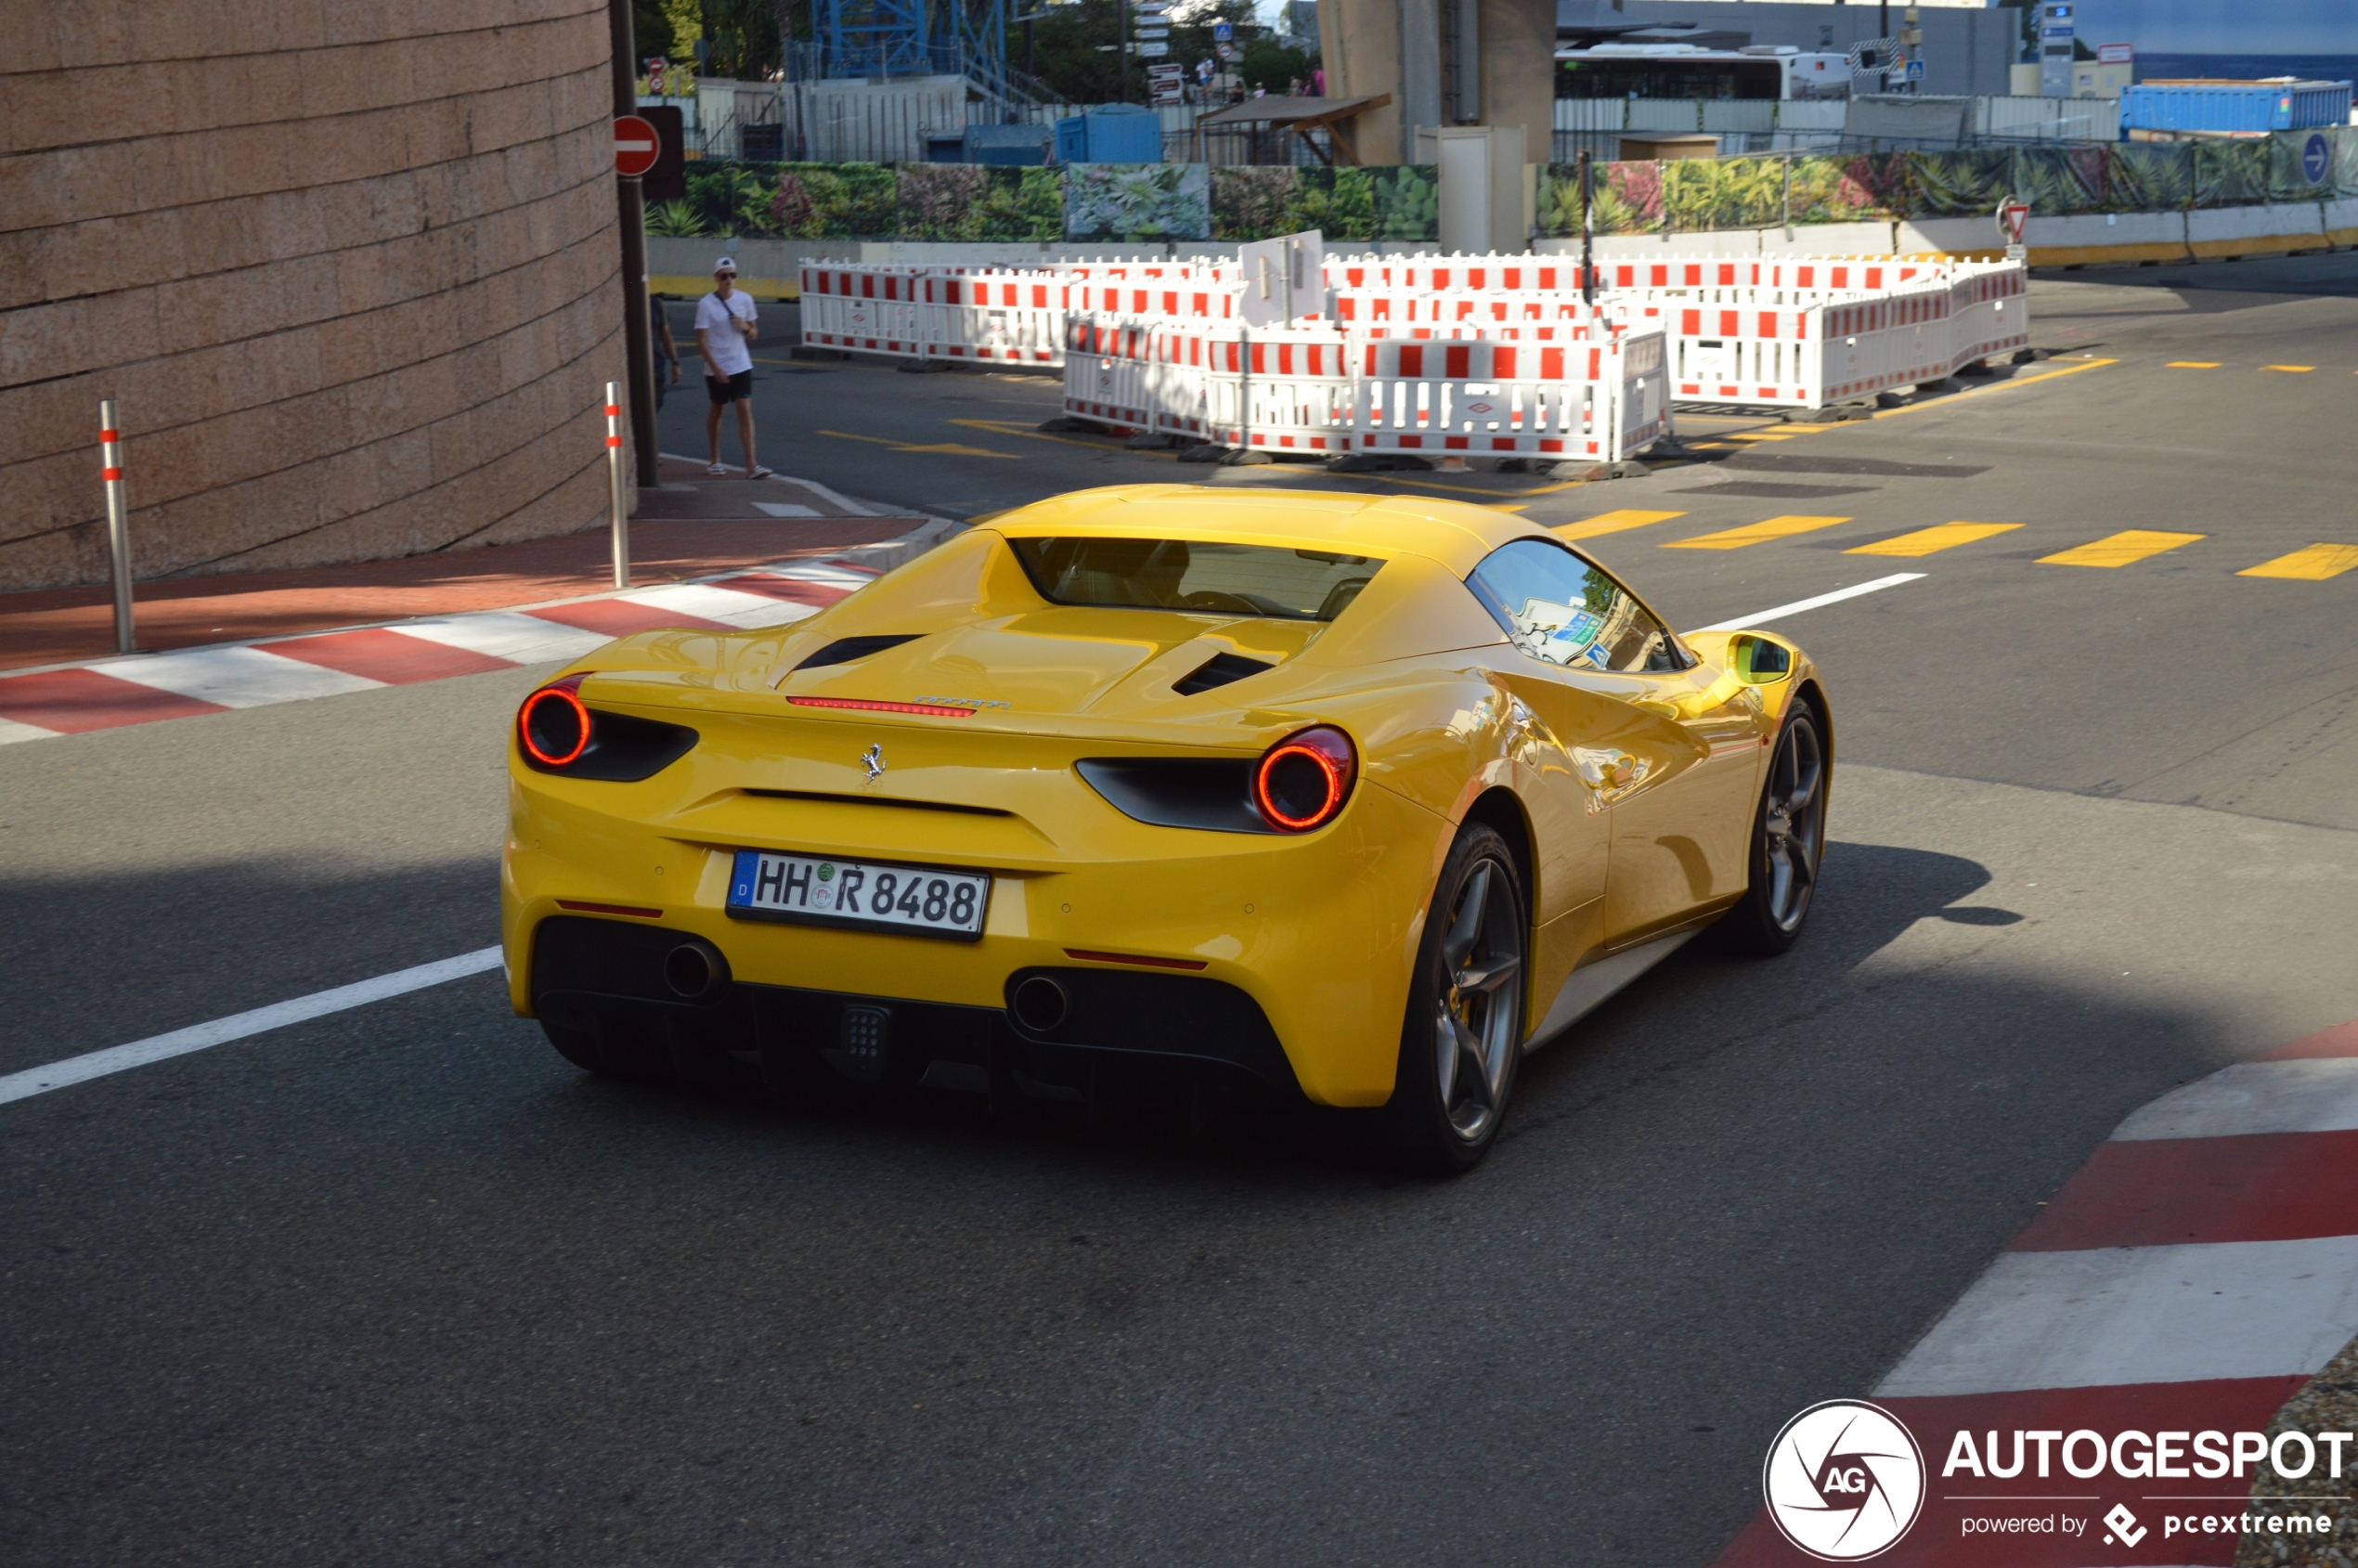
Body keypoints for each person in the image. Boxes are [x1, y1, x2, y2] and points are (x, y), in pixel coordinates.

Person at [695, 256, 770, 478]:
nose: (728, 280)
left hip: (741, 364)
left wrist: (744, 326)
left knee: (745, 410)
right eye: (724, 276)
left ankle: (752, 465)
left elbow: (755, 334)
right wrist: (715, 367)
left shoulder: (745, 300)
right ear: (716, 278)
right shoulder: (706, 304)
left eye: (732, 275)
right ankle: (715, 460)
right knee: (718, 410)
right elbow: (701, 340)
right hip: (717, 367)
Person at [650, 292, 680, 409]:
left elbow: (666, 334)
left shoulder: (655, 303)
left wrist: (675, 363)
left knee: (655, 405)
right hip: (633, 370)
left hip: (656, 367)